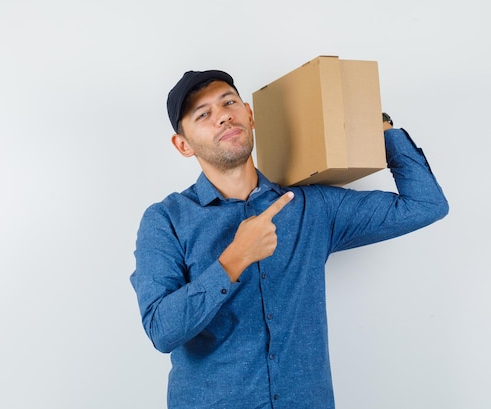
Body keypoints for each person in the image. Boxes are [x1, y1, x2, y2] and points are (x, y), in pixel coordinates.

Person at [129, 70, 448, 409]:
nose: (223, 115)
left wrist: (381, 127)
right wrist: (234, 259)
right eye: (203, 114)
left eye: (229, 102)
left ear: (250, 116)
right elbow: (162, 331)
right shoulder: (165, 220)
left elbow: (426, 205)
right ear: (183, 145)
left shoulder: (311, 207)